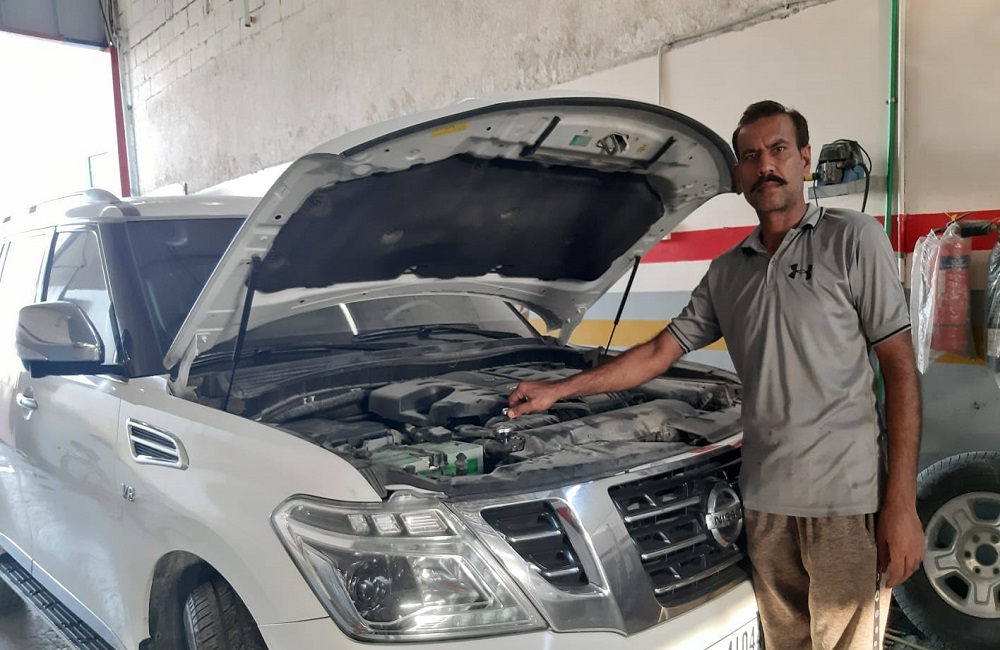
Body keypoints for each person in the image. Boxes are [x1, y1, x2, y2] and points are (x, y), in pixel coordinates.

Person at [507, 100, 924, 650]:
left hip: (846, 505)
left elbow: (900, 370)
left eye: (778, 150)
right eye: (750, 156)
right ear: (738, 174)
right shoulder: (728, 271)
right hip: (765, 506)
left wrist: (901, 504)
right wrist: (558, 391)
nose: (765, 165)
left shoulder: (853, 240)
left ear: (804, 159)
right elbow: (659, 352)